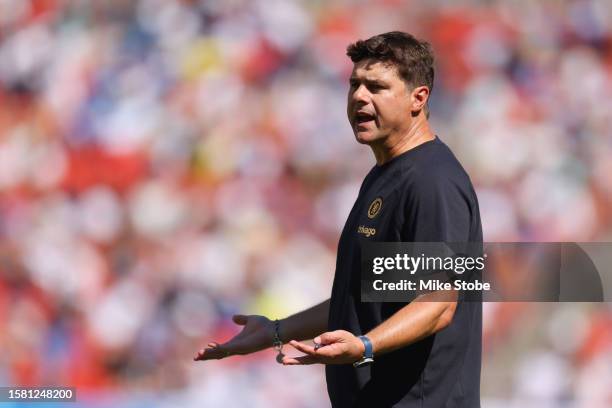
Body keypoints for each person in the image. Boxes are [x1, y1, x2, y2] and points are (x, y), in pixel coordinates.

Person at [195, 31, 483, 408]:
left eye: (377, 87)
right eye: (354, 84)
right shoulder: (384, 176)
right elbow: (361, 300)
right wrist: (275, 332)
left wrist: (365, 346)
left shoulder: (432, 181)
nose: (360, 96)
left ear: (419, 98)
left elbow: (439, 303)